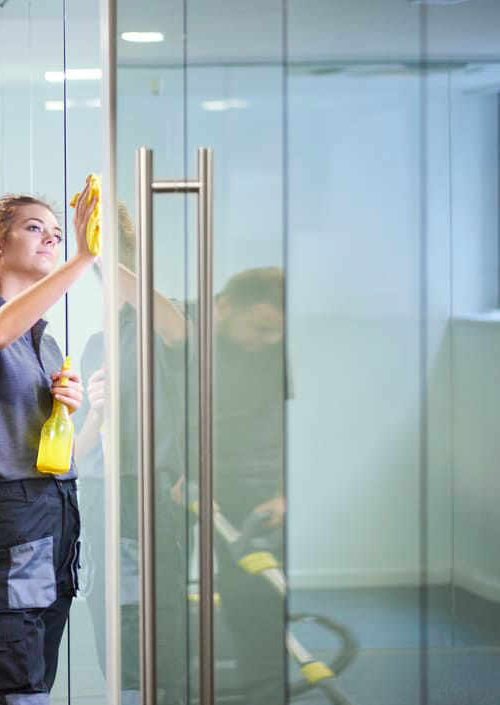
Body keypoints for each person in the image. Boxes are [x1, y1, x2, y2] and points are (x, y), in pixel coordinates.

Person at [0, 188, 96, 704]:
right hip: (8, 522)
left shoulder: (44, 341)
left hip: (56, 516)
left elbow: (58, 451)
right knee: (15, 692)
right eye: (34, 227)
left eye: (55, 230)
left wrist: (68, 413)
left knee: (37, 687)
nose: (50, 235)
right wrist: (81, 259)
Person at [72, 202, 190, 705]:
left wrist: (101, 251)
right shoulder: (97, 341)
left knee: (156, 620)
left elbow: (175, 327)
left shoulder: (161, 324)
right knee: (109, 617)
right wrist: (96, 412)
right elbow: (77, 450)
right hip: (101, 493)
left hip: (149, 492)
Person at [210, 266, 288, 705]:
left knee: (254, 593)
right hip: (190, 478)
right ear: (223, 308)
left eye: (274, 332)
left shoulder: (277, 353)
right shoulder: (188, 339)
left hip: (255, 484)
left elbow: (286, 422)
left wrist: (281, 492)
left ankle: (263, 689)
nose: (267, 340)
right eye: (259, 328)